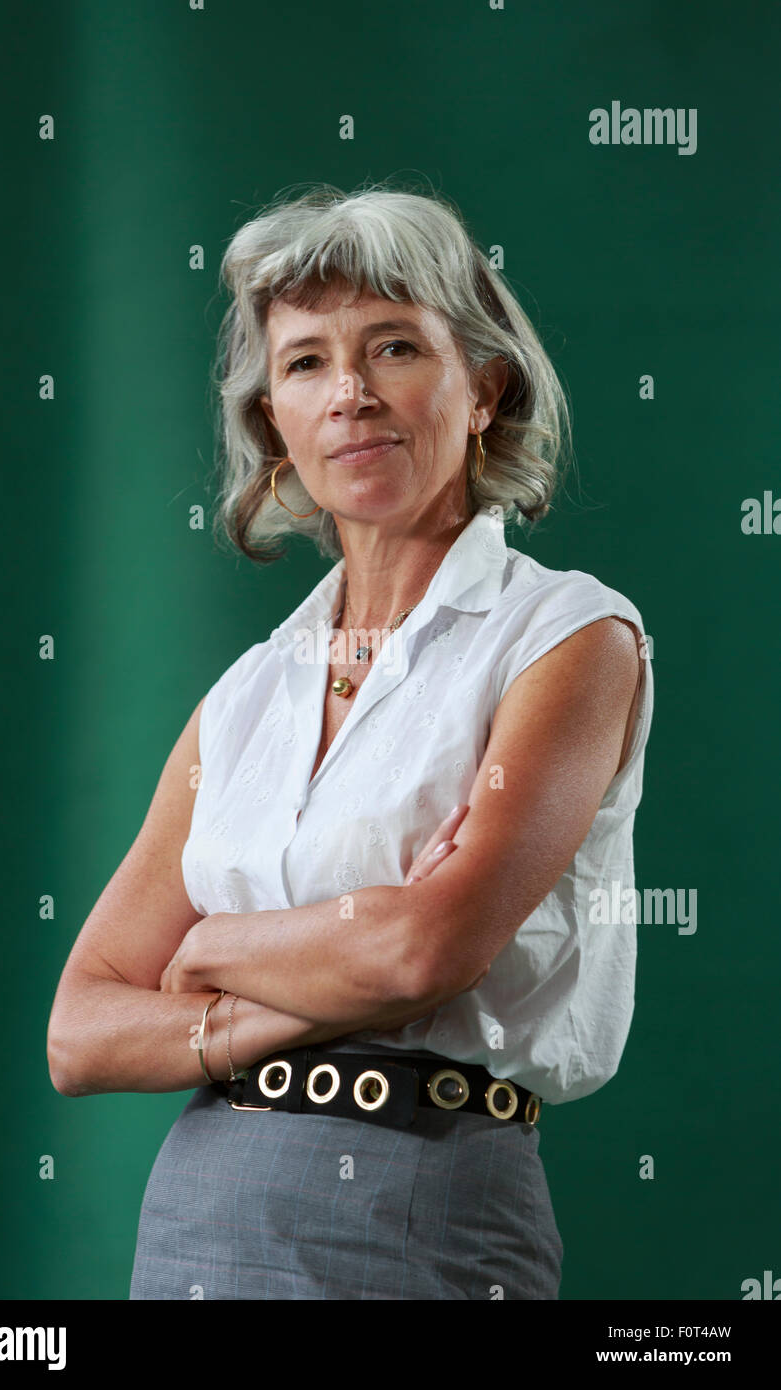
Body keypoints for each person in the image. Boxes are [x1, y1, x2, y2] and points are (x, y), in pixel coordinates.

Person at [47, 183, 654, 1301]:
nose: (351, 396)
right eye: (306, 364)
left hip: (425, 1206)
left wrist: (210, 948)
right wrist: (316, 980)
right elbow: (80, 1029)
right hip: (196, 1219)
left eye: (392, 347)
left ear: (484, 390)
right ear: (271, 422)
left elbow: (421, 955)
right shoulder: (240, 700)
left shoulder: (566, 636)